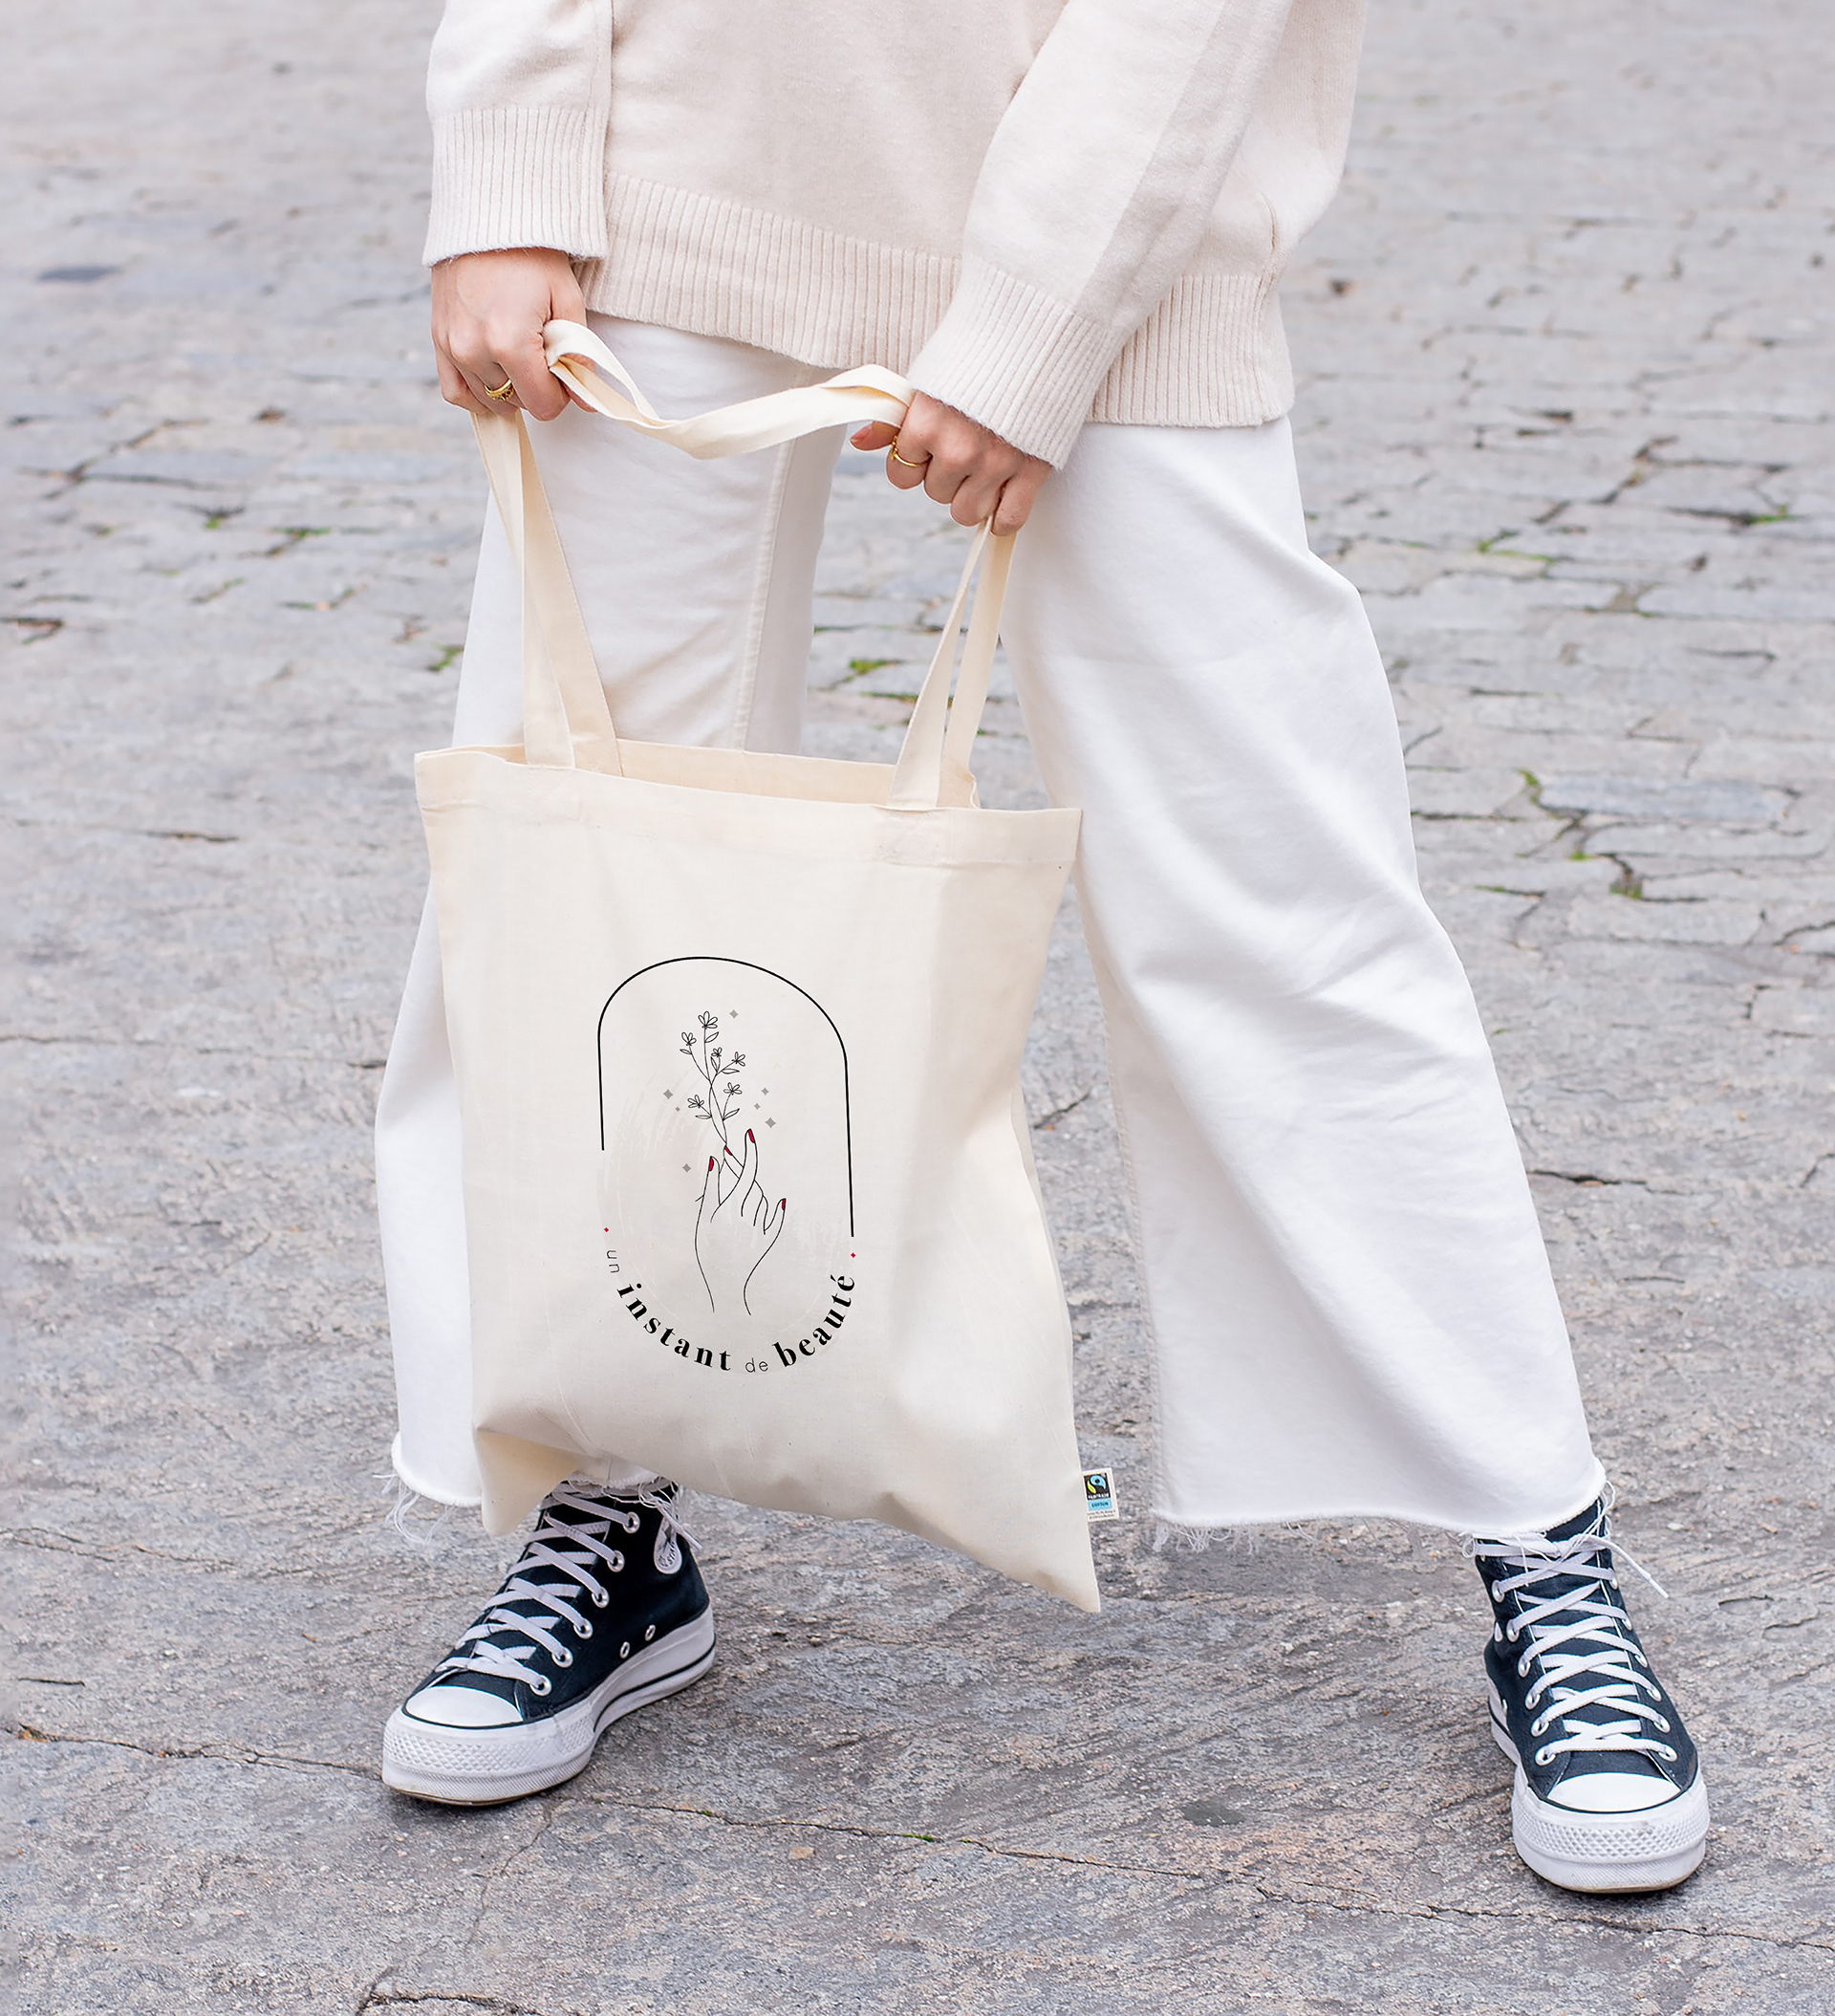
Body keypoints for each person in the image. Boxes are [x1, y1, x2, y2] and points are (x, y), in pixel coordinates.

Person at [373, 0, 1707, 1893]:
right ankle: (601, 1508)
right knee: (586, 869)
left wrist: (1031, 316)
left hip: (1117, 217)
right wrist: (506, 168)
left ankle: (1535, 1531)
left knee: (1274, 895)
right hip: (668, 167)